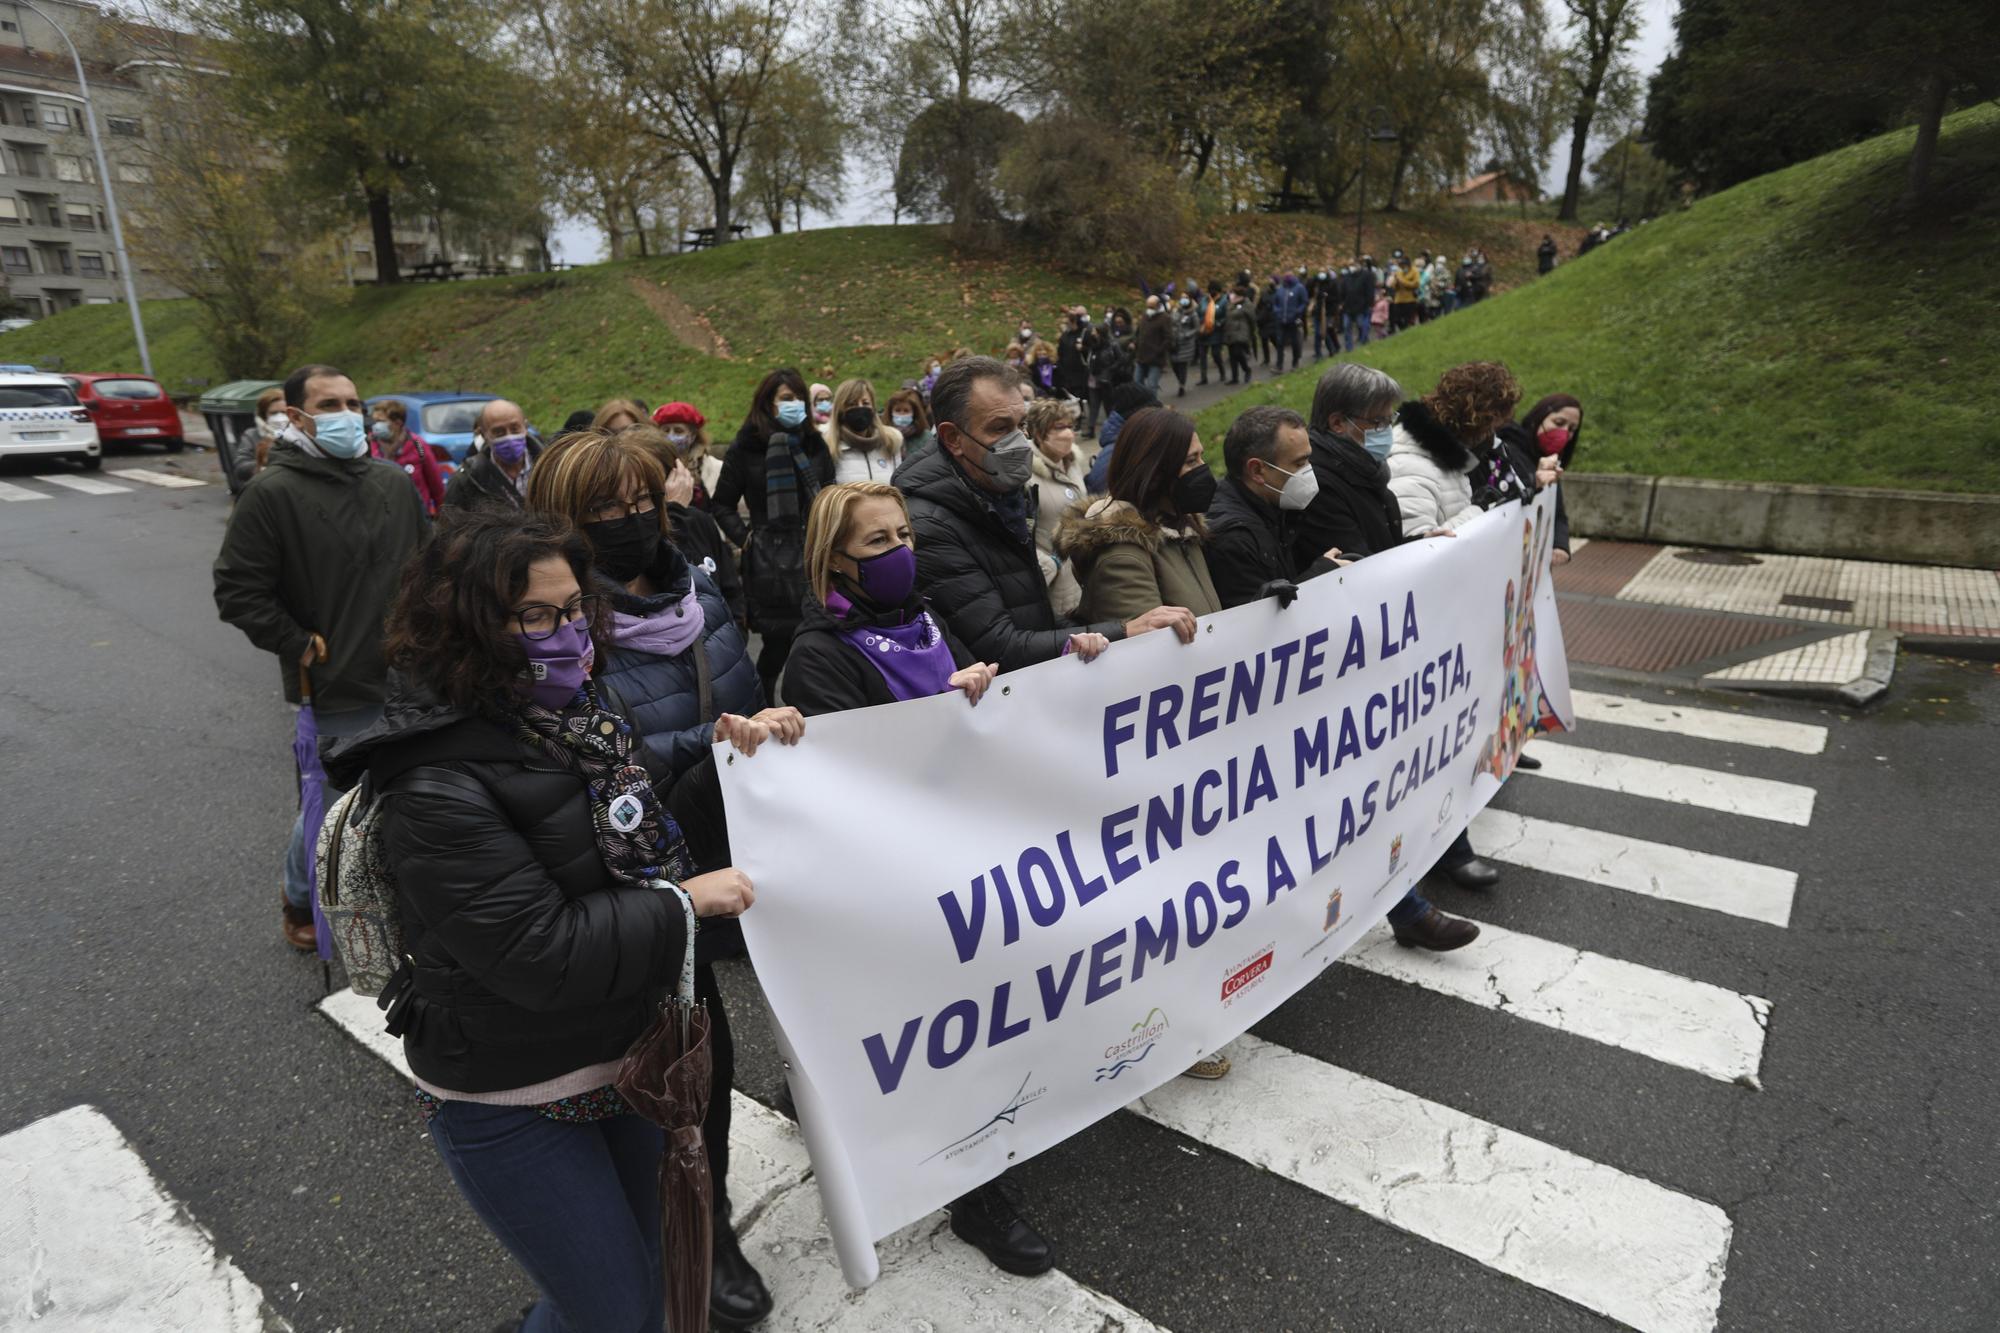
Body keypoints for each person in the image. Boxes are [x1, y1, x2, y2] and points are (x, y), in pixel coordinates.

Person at [323, 508, 757, 1333]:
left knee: (659, 1276)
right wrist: (685, 902)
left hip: (626, 1057)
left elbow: (625, 811)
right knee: (616, 1310)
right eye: (536, 615)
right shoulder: (432, 782)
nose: (567, 634)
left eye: (572, 610)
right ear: (467, 626)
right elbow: (541, 952)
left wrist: (736, 747)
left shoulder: (575, 716)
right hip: (514, 1094)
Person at [523, 431, 796, 1328]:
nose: (633, 520)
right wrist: (721, 743)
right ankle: (690, 1235)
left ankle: (703, 1217)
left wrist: (767, 732)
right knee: (674, 1060)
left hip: (723, 841)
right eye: (606, 510)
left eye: (644, 500)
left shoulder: (699, 586)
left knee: (710, 1056)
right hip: (628, 873)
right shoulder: (557, 621)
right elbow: (582, 751)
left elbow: (746, 696)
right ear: (565, 522)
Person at [213, 363, 427, 950]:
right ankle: (300, 894)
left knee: (411, 792)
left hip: (414, 675)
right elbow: (237, 590)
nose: (347, 414)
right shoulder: (271, 493)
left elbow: (429, 568)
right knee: (333, 806)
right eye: (329, 404)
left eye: (354, 402)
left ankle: (393, 893)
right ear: (296, 416)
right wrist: (297, 641)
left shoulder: (393, 483)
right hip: (335, 684)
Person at [1289, 363, 1502, 900]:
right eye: (1378, 420)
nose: (1389, 428)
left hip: (1386, 640)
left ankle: (1432, 860)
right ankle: (1407, 893)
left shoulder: (1364, 469)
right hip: (1356, 647)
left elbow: (1379, 551)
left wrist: (1416, 546)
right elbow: (1356, 564)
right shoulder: (1325, 481)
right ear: (1340, 423)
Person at [897, 356, 1195, 674]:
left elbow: (1033, 616)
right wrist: (1123, 631)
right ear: (953, 438)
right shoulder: (930, 525)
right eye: (1000, 428)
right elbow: (997, 647)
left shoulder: (999, 496)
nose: (1020, 441)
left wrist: (1098, 623)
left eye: (1020, 425)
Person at [782, 481, 995, 716]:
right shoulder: (816, 656)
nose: (900, 549)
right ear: (834, 559)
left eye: (904, 534)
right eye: (878, 540)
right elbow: (853, 748)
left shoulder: (924, 619)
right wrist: (946, 705)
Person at [713, 368, 837, 699]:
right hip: (769, 564)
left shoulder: (814, 443)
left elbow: (830, 494)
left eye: (799, 398)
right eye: (786, 398)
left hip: (812, 553)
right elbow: (722, 504)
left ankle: (815, 708)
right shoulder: (746, 446)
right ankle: (764, 702)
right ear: (768, 403)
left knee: (818, 639)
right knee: (776, 646)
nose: (794, 404)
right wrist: (747, 540)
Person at [1388, 361, 1558, 536]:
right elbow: (1418, 550)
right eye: (1489, 429)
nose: (1491, 437)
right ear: (1473, 421)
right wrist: (1480, 509)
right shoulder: (1410, 467)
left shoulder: (1452, 458)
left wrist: (1534, 487)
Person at [1204, 404, 1339, 610]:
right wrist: (1323, 573)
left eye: (1308, 459)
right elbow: (1260, 624)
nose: (1309, 471)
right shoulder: (1233, 540)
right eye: (1299, 463)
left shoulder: (1274, 505)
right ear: (1257, 470)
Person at [623, 423, 747, 626]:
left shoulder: (699, 521)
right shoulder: (625, 534)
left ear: (677, 475)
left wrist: (734, 633)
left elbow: (730, 590)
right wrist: (673, 513)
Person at [1501, 393, 1582, 564]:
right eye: (1559, 423)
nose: (1564, 433)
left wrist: (1560, 544)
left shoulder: (1549, 460)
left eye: (1572, 429)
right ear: (1538, 418)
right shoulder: (1507, 450)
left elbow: (1557, 511)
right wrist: (1535, 482)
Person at [1026, 397, 1087, 617]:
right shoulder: (1026, 476)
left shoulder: (1072, 463)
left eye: (1070, 426)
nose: (1068, 433)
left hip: (1083, 574)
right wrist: (1050, 566)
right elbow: (1022, 531)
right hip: (1056, 584)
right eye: (1059, 427)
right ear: (1040, 433)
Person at [441, 399, 540, 514]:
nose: (509, 437)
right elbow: (451, 526)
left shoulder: (551, 466)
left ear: (525, 427)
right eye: (499, 432)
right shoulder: (467, 480)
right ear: (484, 435)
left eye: (514, 428)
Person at [369, 399, 450, 516]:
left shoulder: (418, 445)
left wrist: (442, 516)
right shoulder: (370, 444)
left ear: (397, 423)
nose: (376, 426)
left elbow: (436, 484)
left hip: (415, 515)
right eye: (375, 421)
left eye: (381, 421)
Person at [822, 377, 905, 484]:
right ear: (840, 410)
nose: (860, 408)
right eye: (852, 404)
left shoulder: (891, 442)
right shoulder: (829, 448)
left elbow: (898, 488)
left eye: (865, 403)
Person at [1085, 382, 1161, 493]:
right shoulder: (1115, 453)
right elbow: (1099, 494)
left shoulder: (1131, 441)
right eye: (1153, 414)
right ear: (1137, 416)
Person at [650, 401, 722, 504]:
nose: (671, 436)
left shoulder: (714, 468)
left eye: (678, 431)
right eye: (666, 430)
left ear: (693, 436)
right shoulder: (650, 464)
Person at [1086, 307, 1133, 433]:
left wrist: (1110, 370)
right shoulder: (1093, 345)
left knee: (1109, 406)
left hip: (1107, 380)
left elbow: (1122, 359)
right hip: (1094, 379)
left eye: (1095, 331)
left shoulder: (1112, 345)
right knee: (1094, 405)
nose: (1092, 333)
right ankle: (1091, 428)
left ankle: (1115, 427)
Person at [233, 387, 289, 488]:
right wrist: (262, 466)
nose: (279, 417)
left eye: (283, 412)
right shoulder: (252, 435)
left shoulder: (300, 434)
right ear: (264, 415)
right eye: (274, 413)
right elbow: (240, 468)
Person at [1055, 307, 1095, 412]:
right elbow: (1061, 352)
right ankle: (1078, 415)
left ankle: (1090, 417)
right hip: (1068, 371)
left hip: (1081, 371)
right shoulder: (1065, 335)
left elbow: (1092, 350)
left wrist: (1083, 349)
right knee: (1072, 396)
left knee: (1083, 394)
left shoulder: (1084, 333)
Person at [886, 387, 937, 465]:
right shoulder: (884, 436)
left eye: (906, 410)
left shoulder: (925, 437)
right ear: (890, 413)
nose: (901, 414)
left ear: (914, 413)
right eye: (897, 410)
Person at [1132, 295, 1171, 393]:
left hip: (1156, 359)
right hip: (1141, 356)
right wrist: (1135, 343)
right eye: (1148, 307)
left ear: (1158, 306)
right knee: (1137, 382)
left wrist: (1158, 351)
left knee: (1152, 385)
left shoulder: (1165, 318)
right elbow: (1138, 332)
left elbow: (1168, 338)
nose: (1149, 309)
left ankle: (1152, 405)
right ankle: (1141, 404)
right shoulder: (1145, 316)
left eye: (1151, 307)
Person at [1271, 271, 1307, 373]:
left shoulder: (1299, 288)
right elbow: (1276, 303)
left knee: (1295, 342)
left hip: (1293, 320)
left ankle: (1295, 363)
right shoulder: (1281, 289)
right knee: (1280, 343)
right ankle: (1279, 366)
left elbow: (1304, 302)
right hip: (1281, 320)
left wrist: (1298, 312)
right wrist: (1277, 312)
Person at [1168, 293, 1199, 398]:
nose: (1183, 300)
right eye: (1182, 298)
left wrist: (1187, 335)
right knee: (1174, 364)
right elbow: (1171, 322)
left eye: (1186, 298)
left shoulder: (1193, 314)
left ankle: (1182, 385)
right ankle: (1180, 380)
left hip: (1186, 344)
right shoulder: (1176, 311)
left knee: (1182, 365)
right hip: (1175, 342)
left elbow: (1196, 328)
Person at [1340, 261, 1376, 351]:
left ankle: (1364, 342)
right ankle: (1349, 348)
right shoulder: (1346, 277)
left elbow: (1369, 291)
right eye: (1350, 265)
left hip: (1361, 307)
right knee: (1346, 326)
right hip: (1348, 307)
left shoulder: (1366, 276)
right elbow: (1342, 291)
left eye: (1353, 265)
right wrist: (1341, 302)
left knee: (1361, 325)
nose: (1352, 267)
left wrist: (1369, 303)